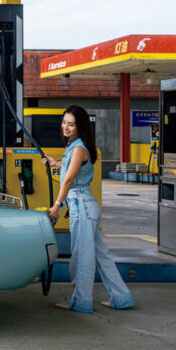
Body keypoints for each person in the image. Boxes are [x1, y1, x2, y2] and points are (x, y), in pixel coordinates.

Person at [44, 105, 134, 313]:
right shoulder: (77, 146)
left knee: (82, 258)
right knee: (101, 256)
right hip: (85, 204)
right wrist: (56, 163)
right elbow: (72, 171)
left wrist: (57, 205)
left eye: (71, 124)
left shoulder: (78, 148)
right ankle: (121, 297)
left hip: (81, 207)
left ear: (80, 126)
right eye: (64, 122)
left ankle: (81, 301)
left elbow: (68, 180)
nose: (65, 127)